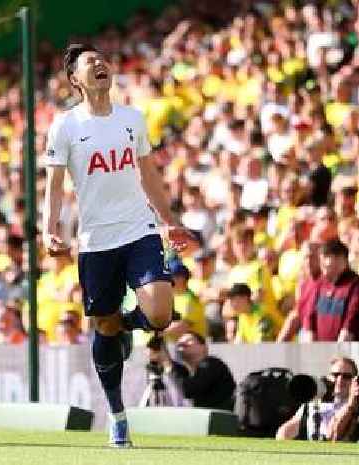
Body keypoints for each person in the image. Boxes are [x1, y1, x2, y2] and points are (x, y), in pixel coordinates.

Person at [43, 44, 189, 447]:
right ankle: (118, 415)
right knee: (104, 327)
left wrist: (170, 222)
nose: (100, 64)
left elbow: (149, 176)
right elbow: (55, 186)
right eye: (90, 63)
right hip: (95, 242)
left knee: (161, 312)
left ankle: (130, 324)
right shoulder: (65, 126)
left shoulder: (132, 119)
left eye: (102, 59)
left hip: (139, 230)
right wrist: (49, 229)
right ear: (75, 79)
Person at [303, 239, 359, 342]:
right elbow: (310, 320)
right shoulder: (320, 284)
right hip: (322, 352)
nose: (322, 264)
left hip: (351, 353)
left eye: (326, 258)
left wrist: (338, 355)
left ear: (341, 259)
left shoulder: (357, 286)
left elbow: (350, 325)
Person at [276, 356, 358, 441]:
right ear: (329, 377)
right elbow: (285, 432)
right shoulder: (314, 401)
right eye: (335, 375)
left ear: (355, 380)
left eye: (347, 376)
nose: (340, 380)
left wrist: (351, 403)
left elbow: (332, 435)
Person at [149, 331, 236, 411]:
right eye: (180, 344)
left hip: (221, 420)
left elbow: (189, 389)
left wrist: (166, 362)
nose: (183, 343)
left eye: (189, 340)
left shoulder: (212, 363)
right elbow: (176, 373)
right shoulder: (187, 371)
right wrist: (160, 351)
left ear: (204, 347)